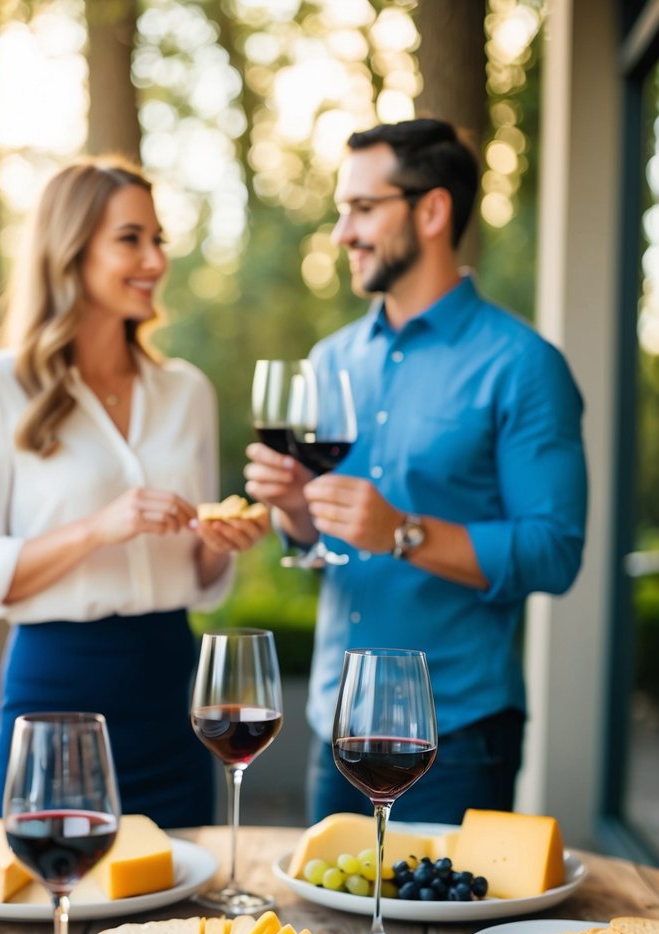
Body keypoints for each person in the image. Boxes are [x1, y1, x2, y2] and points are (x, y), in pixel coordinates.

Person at [244, 118, 588, 825]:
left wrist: (401, 530)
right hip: (333, 723)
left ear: (431, 210)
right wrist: (296, 513)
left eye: (363, 209)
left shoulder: (523, 366)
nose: (342, 233)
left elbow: (553, 552)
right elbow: (322, 544)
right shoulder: (332, 359)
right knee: (334, 930)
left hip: (453, 739)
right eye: (341, 211)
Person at [0, 158, 269, 827]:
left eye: (158, 240)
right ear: (71, 251)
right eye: (130, 238)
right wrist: (97, 527)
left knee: (179, 921)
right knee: (49, 910)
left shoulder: (186, 391)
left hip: (172, 692)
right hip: (56, 691)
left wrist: (220, 544)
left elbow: (201, 575)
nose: (154, 259)